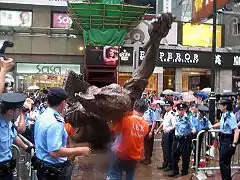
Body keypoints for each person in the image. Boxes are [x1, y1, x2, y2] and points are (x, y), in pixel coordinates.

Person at [34, 87, 91, 180]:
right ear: (64, 102)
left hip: (43, 166)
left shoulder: (43, 116)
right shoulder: (55, 123)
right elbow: (55, 152)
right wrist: (80, 150)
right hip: (53, 170)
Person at [109, 99, 149, 180]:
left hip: (120, 154)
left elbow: (115, 131)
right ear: (145, 110)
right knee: (130, 177)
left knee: (115, 175)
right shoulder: (146, 125)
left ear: (134, 107)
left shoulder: (125, 119)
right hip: (134, 156)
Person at [0, 92, 33, 180]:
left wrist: (26, 147)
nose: (20, 112)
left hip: (7, 170)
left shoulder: (8, 123)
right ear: (11, 112)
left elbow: (14, 137)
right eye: (19, 110)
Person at [212, 99, 239, 180]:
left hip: (227, 140)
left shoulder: (231, 116)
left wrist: (234, 144)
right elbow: (221, 123)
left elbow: (236, 130)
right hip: (223, 139)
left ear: (225, 106)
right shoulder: (224, 115)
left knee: (224, 162)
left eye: (221, 104)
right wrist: (211, 127)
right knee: (223, 162)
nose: (220, 106)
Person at [169, 103, 195, 177]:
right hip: (177, 139)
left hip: (184, 139)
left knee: (185, 156)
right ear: (177, 110)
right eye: (179, 110)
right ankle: (175, 170)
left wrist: (191, 132)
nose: (181, 112)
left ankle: (184, 171)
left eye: (182, 110)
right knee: (174, 155)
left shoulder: (187, 119)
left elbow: (193, 128)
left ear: (185, 110)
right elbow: (175, 127)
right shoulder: (176, 118)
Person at [190, 105, 212, 169]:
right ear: (198, 112)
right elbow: (192, 126)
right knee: (189, 150)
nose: (203, 114)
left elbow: (210, 126)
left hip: (199, 136)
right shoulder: (192, 117)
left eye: (204, 113)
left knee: (198, 150)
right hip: (192, 136)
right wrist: (193, 129)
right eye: (202, 113)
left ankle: (196, 164)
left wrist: (206, 128)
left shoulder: (205, 120)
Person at [157, 100, 176, 172]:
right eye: (165, 106)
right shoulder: (166, 114)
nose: (165, 107)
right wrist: (159, 128)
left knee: (169, 150)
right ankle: (165, 163)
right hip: (165, 133)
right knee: (164, 149)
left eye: (167, 106)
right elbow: (164, 122)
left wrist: (169, 130)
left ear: (171, 106)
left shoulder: (172, 114)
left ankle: (169, 165)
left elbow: (175, 126)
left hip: (170, 134)